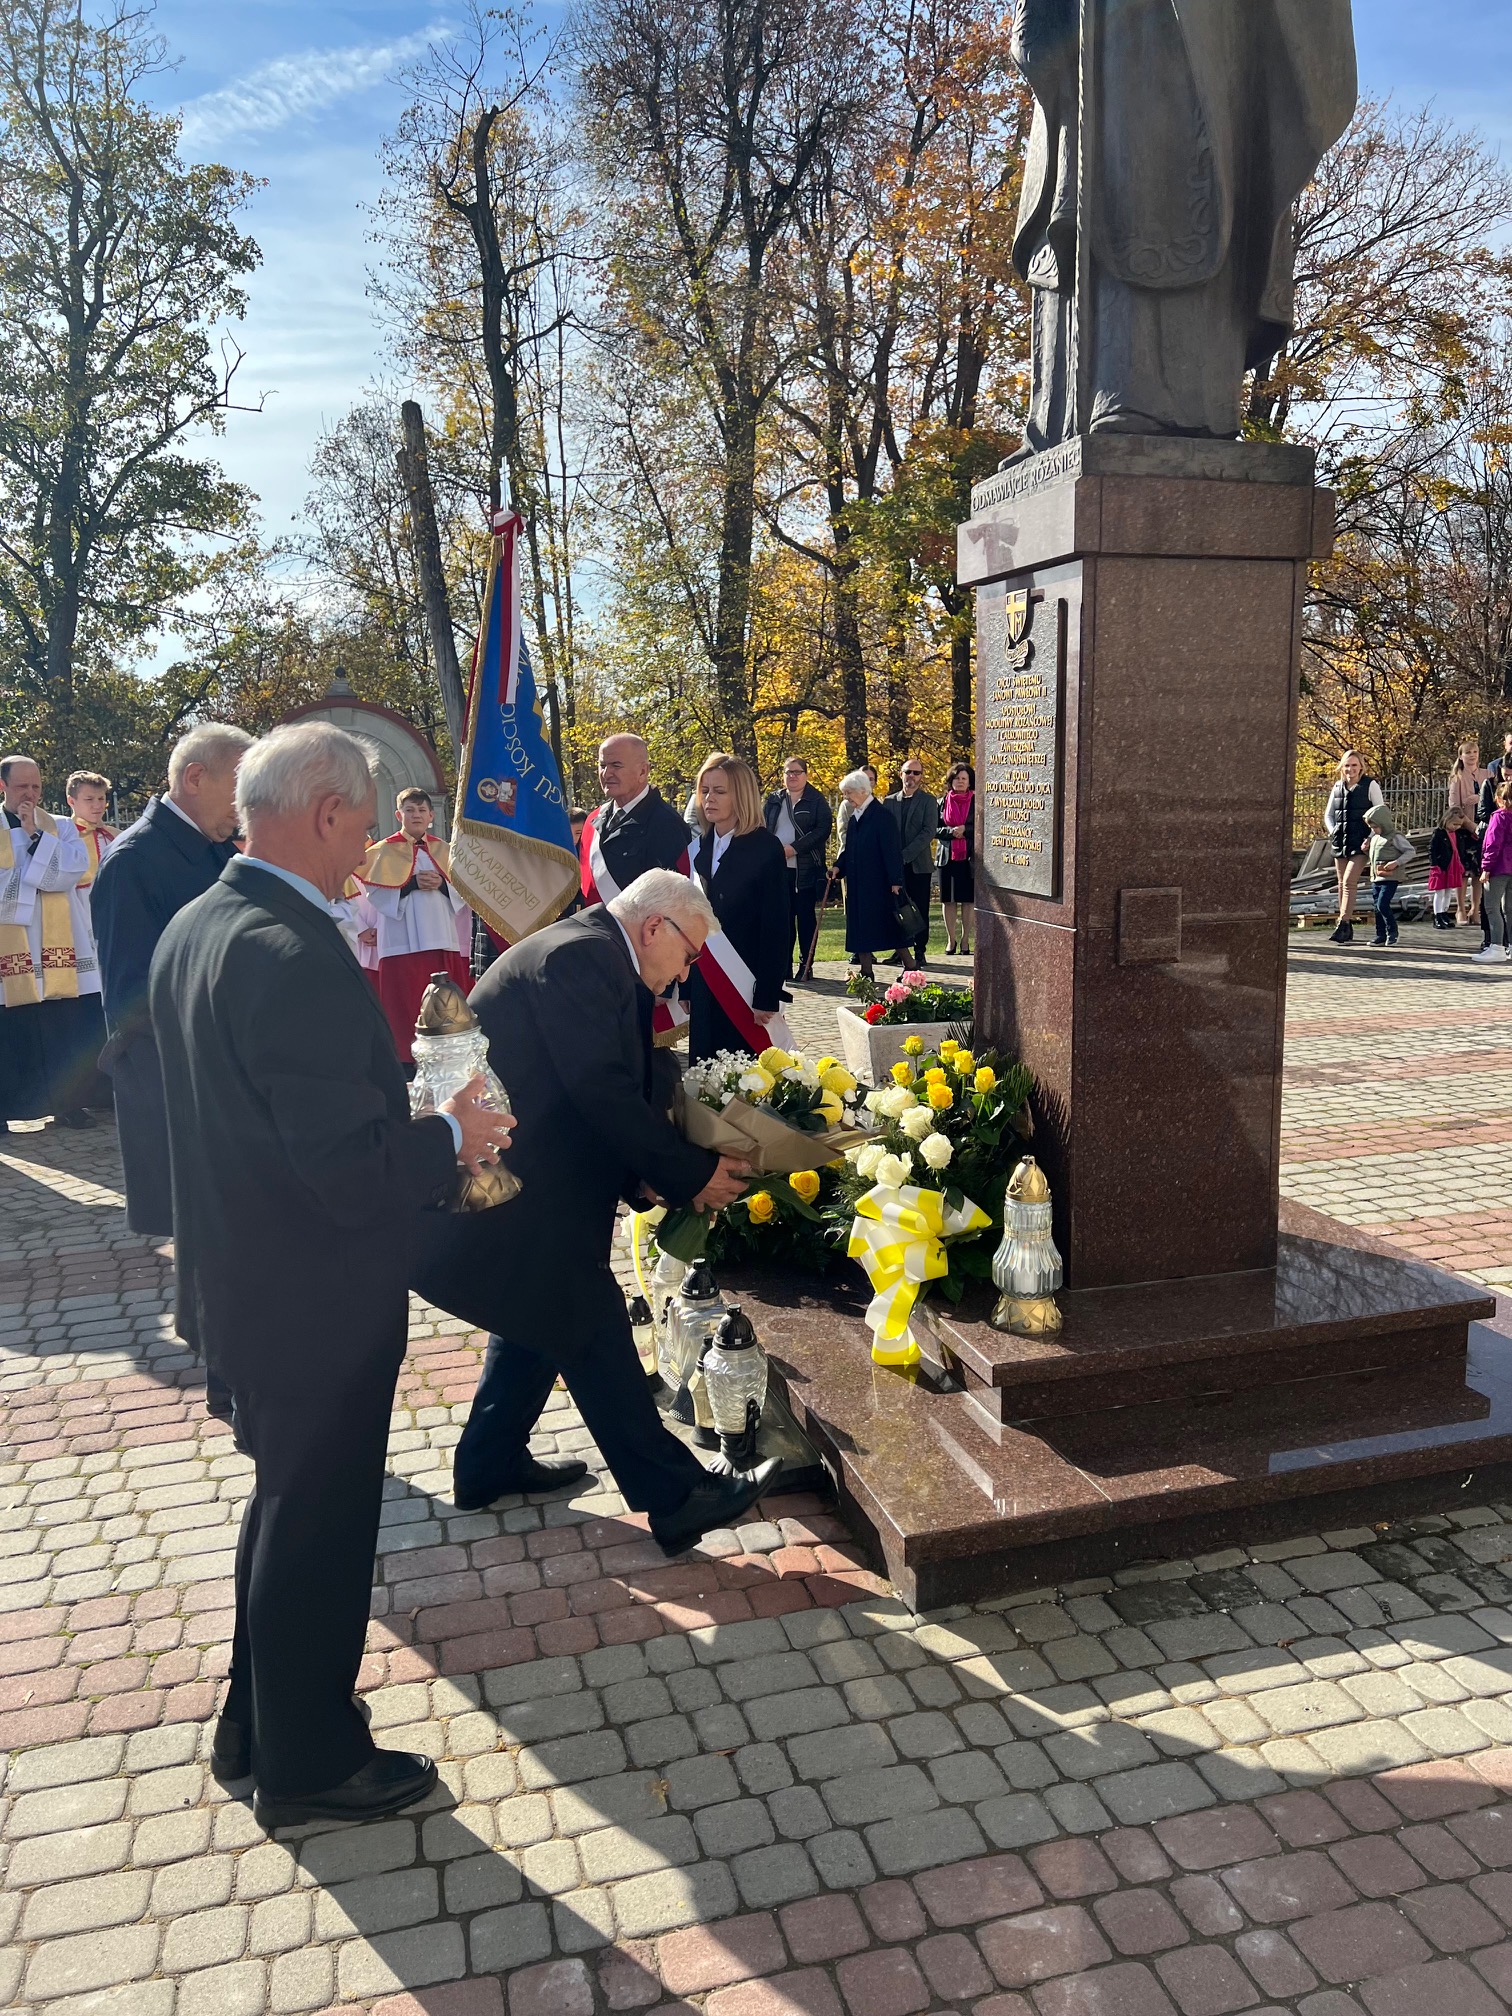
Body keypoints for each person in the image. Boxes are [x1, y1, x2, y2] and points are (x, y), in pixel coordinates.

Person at [151, 721, 512, 1829]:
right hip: (311, 1297)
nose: (370, 845)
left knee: (284, 1508)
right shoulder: (290, 952)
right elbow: (350, 1174)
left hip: (245, 1280)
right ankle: (310, 1764)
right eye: (363, 821)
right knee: (319, 1524)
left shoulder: (202, 923)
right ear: (321, 811)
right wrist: (454, 1135)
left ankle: (256, 1723)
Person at [412, 868, 778, 1554]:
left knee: (539, 1310)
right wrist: (687, 1174)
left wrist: (645, 1176)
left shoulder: (598, 953)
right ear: (652, 928)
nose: (688, 972)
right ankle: (676, 1497)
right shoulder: (580, 958)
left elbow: (614, 1084)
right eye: (690, 954)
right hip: (512, 1182)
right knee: (586, 1320)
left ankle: (489, 1463)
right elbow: (599, 1091)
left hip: (536, 1175)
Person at [92, 725, 252, 1238]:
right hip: (180, 1084)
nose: (246, 804)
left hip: (222, 1077)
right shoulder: (133, 862)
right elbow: (131, 1001)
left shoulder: (218, 851)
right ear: (195, 777)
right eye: (240, 785)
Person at [0, 754, 102, 1134]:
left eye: (37, 786)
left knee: (62, 1028)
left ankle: (69, 1104)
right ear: (3, 786)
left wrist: (32, 837)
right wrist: (32, 875)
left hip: (59, 946)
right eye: (22, 786)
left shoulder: (59, 826)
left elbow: (72, 871)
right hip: (9, 944)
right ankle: (5, 1109)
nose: (30, 794)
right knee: (11, 1031)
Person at [686, 752, 790, 1063]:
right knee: (704, 1072)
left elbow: (777, 926)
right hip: (705, 980)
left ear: (741, 795)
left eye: (719, 791)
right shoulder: (699, 846)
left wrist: (768, 994)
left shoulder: (765, 848)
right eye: (704, 791)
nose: (709, 799)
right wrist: (689, 987)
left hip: (746, 981)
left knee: (743, 1075)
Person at [359, 788, 471, 1065]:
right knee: (404, 1003)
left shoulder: (447, 850)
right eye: (410, 810)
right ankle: (406, 1062)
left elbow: (465, 891)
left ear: (431, 815)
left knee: (446, 1000)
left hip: (442, 936)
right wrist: (410, 885)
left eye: (422, 810)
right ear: (399, 815)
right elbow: (375, 893)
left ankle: (449, 1056)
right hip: (401, 941)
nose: (416, 815)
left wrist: (444, 885)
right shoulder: (380, 852)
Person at [580, 734, 692, 905]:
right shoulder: (592, 821)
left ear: (643, 771)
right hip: (595, 928)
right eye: (602, 765)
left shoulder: (667, 825)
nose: (606, 773)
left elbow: (674, 898)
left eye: (616, 765)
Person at [763, 756, 832, 982]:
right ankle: (784, 966)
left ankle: (806, 964)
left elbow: (822, 830)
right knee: (782, 918)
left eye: (797, 772)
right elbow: (762, 827)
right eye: (788, 772)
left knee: (804, 918)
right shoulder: (773, 799)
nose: (792, 776)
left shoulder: (816, 800)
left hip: (805, 869)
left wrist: (794, 848)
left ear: (806, 774)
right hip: (779, 869)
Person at [834, 769, 906, 982]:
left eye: (849, 793)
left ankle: (910, 965)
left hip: (879, 883)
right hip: (858, 882)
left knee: (890, 927)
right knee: (859, 927)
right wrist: (839, 867)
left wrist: (895, 880)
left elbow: (892, 850)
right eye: (845, 794)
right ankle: (866, 971)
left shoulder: (881, 816)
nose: (847, 798)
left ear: (863, 791)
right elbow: (850, 848)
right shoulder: (856, 817)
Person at [1324, 751, 1383, 944]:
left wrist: (1371, 836)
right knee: (1341, 883)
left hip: (1361, 842)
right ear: (1342, 767)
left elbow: (1380, 813)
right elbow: (1329, 814)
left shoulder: (1370, 785)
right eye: (1347, 765)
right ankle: (1346, 928)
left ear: (1361, 767)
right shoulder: (1338, 787)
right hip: (1340, 842)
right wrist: (1333, 831)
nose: (1350, 769)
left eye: (1354, 765)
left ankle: (1343, 922)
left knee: (1350, 881)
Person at [886, 758, 939, 967]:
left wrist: (905, 854)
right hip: (894, 865)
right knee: (897, 907)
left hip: (918, 865)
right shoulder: (889, 801)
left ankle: (920, 950)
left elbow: (928, 832)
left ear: (921, 777)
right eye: (908, 772)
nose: (912, 777)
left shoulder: (928, 801)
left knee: (919, 907)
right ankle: (900, 950)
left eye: (916, 773)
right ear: (901, 774)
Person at [937, 763, 976, 957]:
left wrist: (965, 830)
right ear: (950, 781)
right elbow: (933, 829)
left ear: (969, 781)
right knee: (948, 901)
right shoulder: (942, 802)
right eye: (956, 778)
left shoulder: (977, 802)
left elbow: (983, 827)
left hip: (969, 857)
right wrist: (950, 832)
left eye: (964, 778)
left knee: (968, 901)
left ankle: (965, 939)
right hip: (947, 856)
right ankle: (951, 939)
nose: (960, 782)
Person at [1364, 803, 1414, 949]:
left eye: (1375, 827)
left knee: (1382, 904)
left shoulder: (1395, 837)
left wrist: (1396, 862)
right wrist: (1366, 850)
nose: (1373, 830)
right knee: (1376, 907)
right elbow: (1375, 857)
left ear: (1383, 823)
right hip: (1376, 877)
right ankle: (1380, 935)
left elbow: (1410, 851)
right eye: (1371, 828)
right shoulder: (1375, 839)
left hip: (1389, 878)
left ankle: (1392, 932)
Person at [1474, 776, 1512, 965]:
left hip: (1499, 867)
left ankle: (1496, 945)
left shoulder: (1499, 817)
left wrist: (1486, 868)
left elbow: (1493, 845)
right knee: (1510, 909)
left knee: (1492, 907)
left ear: (1498, 799)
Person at [1427, 809, 1468, 929]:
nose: (1456, 827)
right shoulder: (1439, 833)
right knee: (1440, 892)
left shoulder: (1458, 835)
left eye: (1459, 825)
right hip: (1442, 865)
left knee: (1448, 891)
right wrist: (1434, 864)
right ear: (1446, 820)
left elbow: (1461, 850)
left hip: (1453, 865)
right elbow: (1432, 850)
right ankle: (1437, 915)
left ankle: (1444, 913)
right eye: (1454, 824)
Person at [1449, 738, 1487, 824]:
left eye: (1475, 752)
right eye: (1468, 752)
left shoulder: (1488, 774)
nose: (1472, 755)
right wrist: (1470, 826)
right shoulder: (1457, 778)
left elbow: (1497, 798)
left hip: (1488, 825)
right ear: (1460, 757)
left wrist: (1480, 798)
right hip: (1466, 825)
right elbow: (1454, 806)